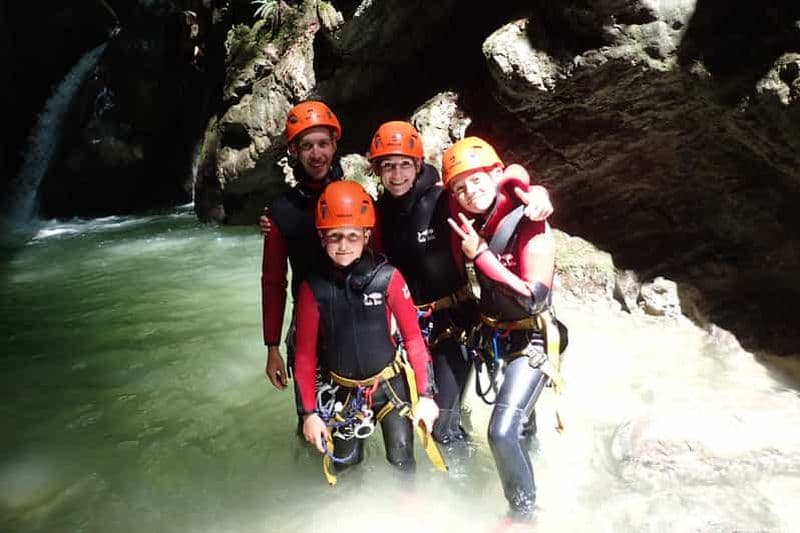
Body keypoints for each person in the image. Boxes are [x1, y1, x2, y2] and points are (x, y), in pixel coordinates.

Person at [367, 122, 555, 446]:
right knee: (426, 417)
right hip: (411, 328)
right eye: (387, 167)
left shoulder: (444, 200)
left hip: (457, 324)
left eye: (404, 165)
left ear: (418, 163)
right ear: (377, 171)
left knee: (444, 426)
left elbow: (499, 188)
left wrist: (536, 193)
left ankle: (481, 478)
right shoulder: (379, 212)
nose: (396, 175)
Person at [443, 136, 563, 521]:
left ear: (495, 173)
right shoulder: (475, 219)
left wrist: (480, 255)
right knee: (523, 426)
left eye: (477, 181)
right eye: (460, 188)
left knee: (500, 432)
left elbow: (534, 298)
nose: (469, 192)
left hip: (532, 338)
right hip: (497, 337)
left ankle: (524, 514)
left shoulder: (530, 220)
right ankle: (540, 470)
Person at [294, 180, 441, 483]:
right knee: (347, 468)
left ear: (366, 235)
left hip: (391, 389)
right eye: (334, 237)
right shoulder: (313, 289)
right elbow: (305, 356)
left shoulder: (388, 278)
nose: (343, 245)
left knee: (402, 461)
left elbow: (413, 339)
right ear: (322, 239)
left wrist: (426, 395)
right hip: (343, 393)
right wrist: (309, 413)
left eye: (351, 236)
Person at [261, 100, 343, 409]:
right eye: (306, 146)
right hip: (308, 328)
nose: (316, 154)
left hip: (354, 322)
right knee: (311, 422)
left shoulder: (354, 197)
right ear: (294, 151)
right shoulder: (281, 212)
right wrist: (272, 348)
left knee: (352, 426)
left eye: (323, 144)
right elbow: (273, 282)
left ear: (335, 146)